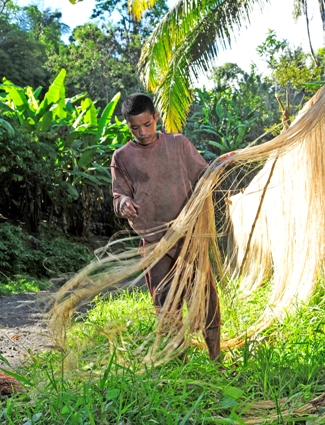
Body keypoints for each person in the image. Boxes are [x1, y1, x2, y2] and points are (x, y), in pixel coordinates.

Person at [110, 93, 221, 361]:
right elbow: (118, 195)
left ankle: (216, 358)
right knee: (165, 302)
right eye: (135, 127)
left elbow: (204, 175)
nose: (143, 132)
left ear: (156, 118)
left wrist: (220, 166)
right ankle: (179, 361)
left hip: (189, 237)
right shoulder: (122, 157)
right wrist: (123, 203)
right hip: (154, 243)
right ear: (127, 124)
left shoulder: (178, 144)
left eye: (147, 124)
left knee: (205, 297)